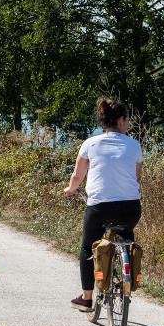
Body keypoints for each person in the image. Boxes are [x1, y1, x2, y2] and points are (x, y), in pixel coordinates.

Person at [64, 98, 143, 311]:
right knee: (127, 238)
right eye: (127, 120)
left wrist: (71, 190)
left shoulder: (90, 143)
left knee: (87, 247)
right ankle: (127, 274)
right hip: (130, 208)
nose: (128, 123)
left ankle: (86, 298)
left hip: (100, 208)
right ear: (121, 120)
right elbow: (136, 178)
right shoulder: (134, 145)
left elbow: (77, 176)